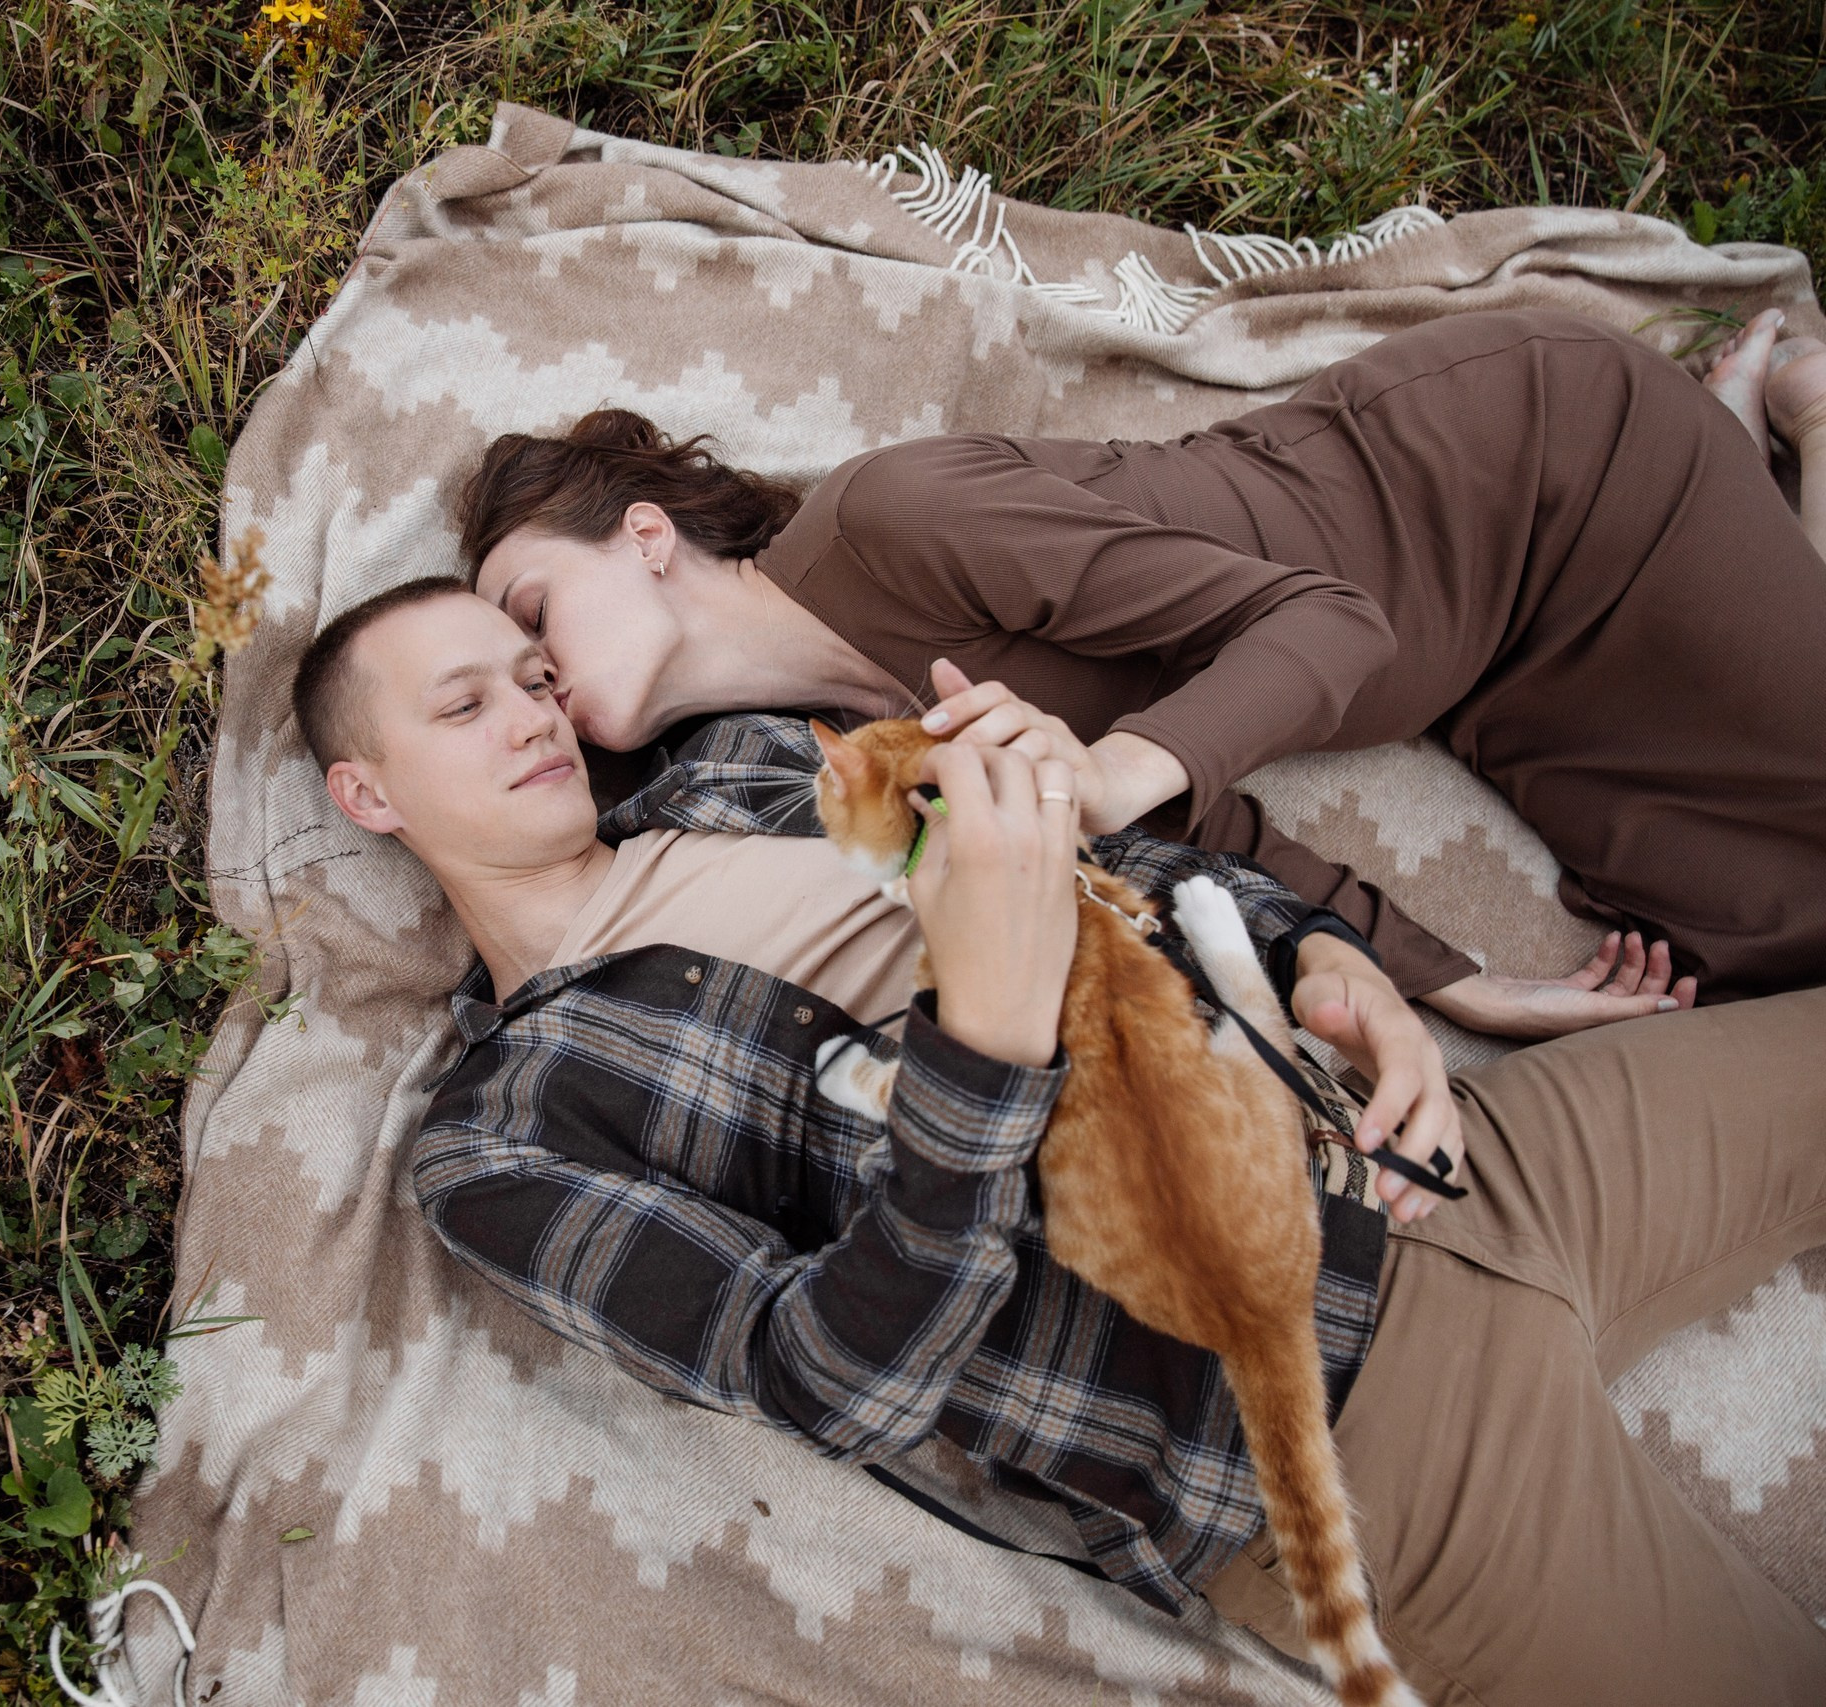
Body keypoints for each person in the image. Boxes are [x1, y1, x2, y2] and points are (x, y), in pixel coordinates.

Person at [294, 578, 1826, 1707]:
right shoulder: (505, 1137)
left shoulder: (749, 767)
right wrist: (986, 1038)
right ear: (365, 791)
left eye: (531, 679)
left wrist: (1330, 965)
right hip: (1352, 1437)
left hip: (1458, 1159)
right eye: (463, 707)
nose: (533, 717)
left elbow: (1127, 863)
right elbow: (829, 1377)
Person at [457, 308, 1826, 1018]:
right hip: (1491, 664)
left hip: (1533, 474)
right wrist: (1460, 980)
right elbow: (1207, 833)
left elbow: (1330, 622)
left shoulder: (893, 520)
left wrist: (1106, 774)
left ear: (647, 535)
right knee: (1765, 939)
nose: (533, 679)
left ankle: (1784, 426)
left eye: (530, 615)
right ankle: (1743, 481)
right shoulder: (842, 754)